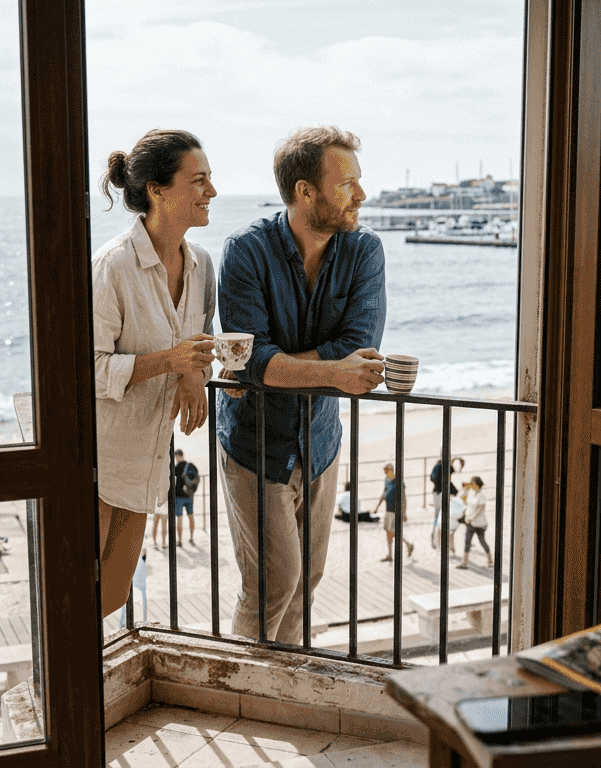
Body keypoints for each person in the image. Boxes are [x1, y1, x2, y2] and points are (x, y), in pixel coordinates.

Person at [216, 126, 387, 644]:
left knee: (306, 582)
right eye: (347, 183)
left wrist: (280, 368)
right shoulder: (246, 251)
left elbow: (360, 342)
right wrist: (334, 373)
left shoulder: (364, 251)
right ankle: (243, 687)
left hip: (321, 442)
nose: (362, 193)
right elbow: (251, 361)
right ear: (305, 191)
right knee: (272, 582)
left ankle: (284, 679)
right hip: (256, 443)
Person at [92, 129, 217, 618]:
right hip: (98, 459)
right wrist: (171, 361)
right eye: (199, 180)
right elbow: (90, 369)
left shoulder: (202, 265)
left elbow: (200, 342)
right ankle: (72, 692)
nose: (211, 191)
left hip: (148, 455)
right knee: (78, 595)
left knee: (113, 594)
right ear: (157, 190)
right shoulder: (113, 268)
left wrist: (192, 375)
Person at [371, 463, 414, 561]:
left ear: (391, 470)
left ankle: (407, 545)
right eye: (384, 471)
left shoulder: (399, 482)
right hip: (388, 510)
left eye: (386, 470)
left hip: (396, 511)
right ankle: (392, 554)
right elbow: (384, 493)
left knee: (392, 531)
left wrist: (404, 513)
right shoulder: (386, 480)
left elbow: (404, 498)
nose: (385, 472)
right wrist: (377, 507)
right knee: (389, 532)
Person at [430, 457, 465, 554]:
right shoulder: (445, 467)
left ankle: (434, 541)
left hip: (436, 493)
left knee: (437, 517)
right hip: (443, 494)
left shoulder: (437, 465)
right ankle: (446, 544)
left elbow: (431, 478)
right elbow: (451, 475)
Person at [457, 476, 492, 570]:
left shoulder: (481, 496)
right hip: (470, 523)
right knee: (467, 542)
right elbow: (464, 501)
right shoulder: (472, 494)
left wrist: (471, 518)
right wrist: (465, 490)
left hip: (479, 524)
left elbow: (481, 509)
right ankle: (464, 563)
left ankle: (490, 561)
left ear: (477, 484)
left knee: (482, 541)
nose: (471, 485)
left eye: (473, 483)